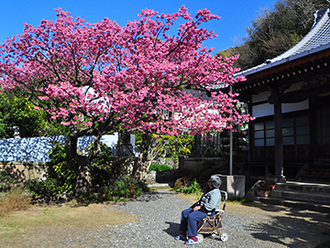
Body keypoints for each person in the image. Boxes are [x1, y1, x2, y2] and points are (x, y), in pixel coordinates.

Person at [175, 175, 222, 245]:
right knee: (185, 212)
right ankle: (184, 233)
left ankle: (194, 237)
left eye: (209, 180)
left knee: (192, 216)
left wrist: (200, 207)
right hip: (203, 207)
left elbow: (211, 206)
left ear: (211, 183)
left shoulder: (215, 192)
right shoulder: (210, 189)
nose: (208, 181)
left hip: (209, 210)